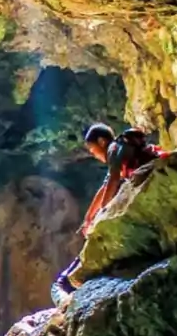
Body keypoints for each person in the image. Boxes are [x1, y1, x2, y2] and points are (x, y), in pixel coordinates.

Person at [56, 123, 170, 299]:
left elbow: (114, 180)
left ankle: (70, 286)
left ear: (102, 141)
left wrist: (102, 214)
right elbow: (104, 187)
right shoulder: (122, 150)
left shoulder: (114, 147)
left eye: (93, 151)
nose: (94, 156)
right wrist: (88, 218)